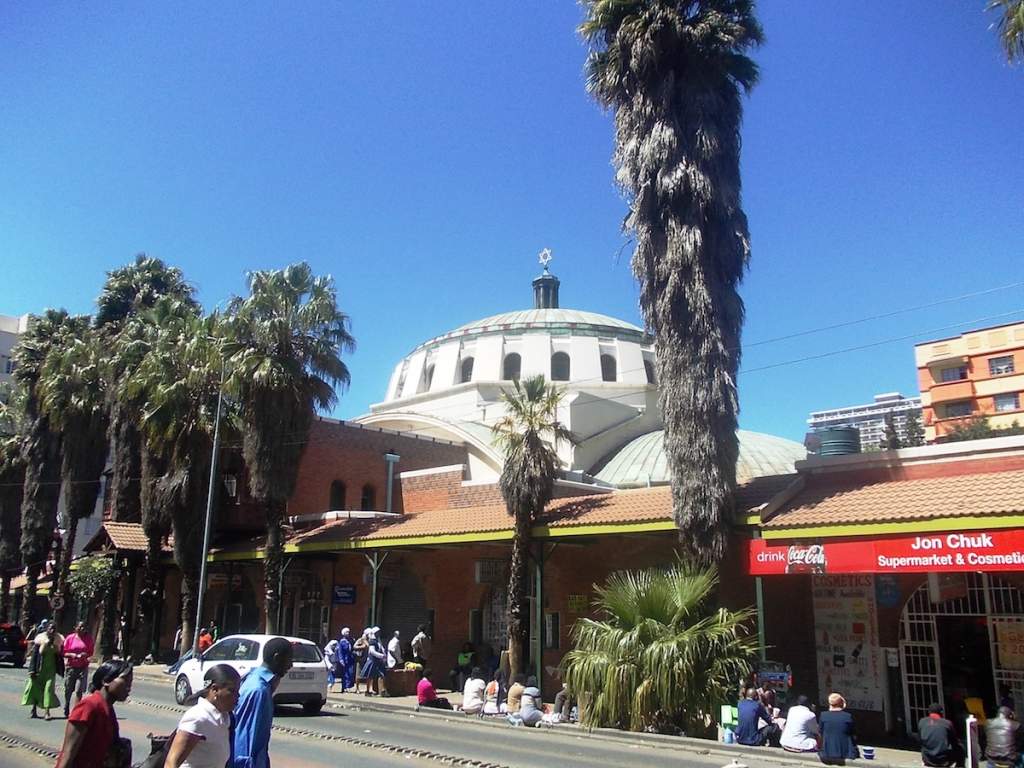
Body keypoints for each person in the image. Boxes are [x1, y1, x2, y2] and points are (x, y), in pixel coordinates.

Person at [55, 659, 133, 768]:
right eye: (124, 679)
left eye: (130, 682)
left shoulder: (109, 710)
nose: (129, 686)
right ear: (106, 681)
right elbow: (68, 752)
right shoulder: (88, 706)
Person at [232, 636, 293, 768]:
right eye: (289, 659)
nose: (291, 665)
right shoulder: (258, 690)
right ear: (277, 658)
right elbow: (247, 735)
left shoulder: (258, 681)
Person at [166, 664, 241, 768]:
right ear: (215, 689)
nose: (238, 696)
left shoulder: (226, 718)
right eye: (232, 691)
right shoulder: (198, 717)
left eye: (238, 691)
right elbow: (171, 763)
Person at [23, 622, 63, 720]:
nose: (52, 630)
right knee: (35, 688)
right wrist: (32, 670)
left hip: (50, 670)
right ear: (46, 629)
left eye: (54, 629)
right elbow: (35, 656)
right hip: (39, 669)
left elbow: (59, 656)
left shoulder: (58, 641)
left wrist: (54, 645)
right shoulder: (40, 639)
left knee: (49, 690)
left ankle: (47, 712)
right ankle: (34, 710)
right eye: (50, 628)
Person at [62, 621, 95, 718]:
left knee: (79, 690)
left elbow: (90, 652)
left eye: (83, 627)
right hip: (71, 667)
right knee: (68, 688)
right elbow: (64, 652)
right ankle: (67, 705)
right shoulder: (70, 638)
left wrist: (85, 655)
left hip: (82, 667)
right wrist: (72, 655)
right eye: (80, 627)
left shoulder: (88, 639)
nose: (82, 628)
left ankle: (76, 711)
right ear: (75, 628)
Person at [819, 693, 859, 766]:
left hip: (827, 751)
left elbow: (820, 732)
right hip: (845, 751)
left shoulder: (823, 715)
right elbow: (853, 733)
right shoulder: (847, 716)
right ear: (841, 703)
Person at [919, 703, 963, 768]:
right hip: (942, 760)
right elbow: (954, 742)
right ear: (941, 712)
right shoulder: (947, 723)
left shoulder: (922, 722)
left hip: (927, 759)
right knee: (961, 748)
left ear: (929, 712)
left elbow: (920, 739)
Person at [361, 628, 386, 696]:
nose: (379, 633)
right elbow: (372, 651)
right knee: (370, 676)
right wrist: (381, 656)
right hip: (373, 661)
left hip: (379, 661)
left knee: (382, 675)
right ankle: (367, 691)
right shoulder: (372, 641)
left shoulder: (378, 640)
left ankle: (382, 691)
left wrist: (384, 655)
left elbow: (381, 648)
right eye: (377, 632)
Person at [352, 628, 370, 694]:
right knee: (358, 675)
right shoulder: (360, 640)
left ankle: (368, 689)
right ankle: (357, 688)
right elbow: (354, 646)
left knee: (368, 675)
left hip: (367, 660)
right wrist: (363, 646)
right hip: (360, 659)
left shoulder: (370, 640)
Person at [337, 627, 355, 692]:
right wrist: (341, 659)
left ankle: (349, 686)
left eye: (349, 632)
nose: (348, 633)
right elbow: (340, 651)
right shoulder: (342, 642)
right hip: (345, 659)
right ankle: (345, 687)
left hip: (350, 659)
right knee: (345, 673)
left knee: (351, 672)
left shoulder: (351, 640)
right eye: (347, 632)